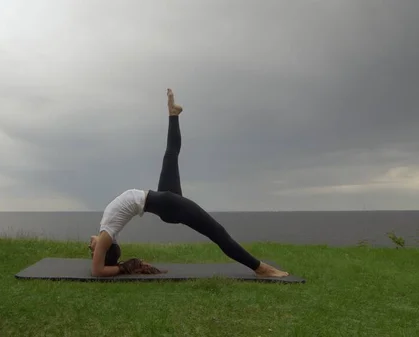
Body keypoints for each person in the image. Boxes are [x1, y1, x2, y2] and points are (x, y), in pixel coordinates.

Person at [88, 88, 289, 278]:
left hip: (161, 203)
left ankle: (173, 114)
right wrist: (123, 267)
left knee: (170, 155)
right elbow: (97, 271)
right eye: (93, 251)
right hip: (164, 203)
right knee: (216, 231)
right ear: (105, 250)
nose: (90, 246)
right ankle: (260, 268)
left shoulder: (105, 231)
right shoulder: (106, 236)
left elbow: (99, 260)